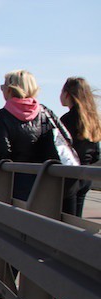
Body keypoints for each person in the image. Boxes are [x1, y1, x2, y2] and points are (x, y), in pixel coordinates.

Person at [0, 69, 65, 201]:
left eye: (3, 87)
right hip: (46, 179)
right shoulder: (46, 113)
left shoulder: (3, 115)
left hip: (15, 180)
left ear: (10, 90)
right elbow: (64, 141)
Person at [59, 77, 100, 217]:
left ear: (67, 94)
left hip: (70, 177)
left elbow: (60, 150)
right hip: (86, 176)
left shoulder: (66, 120)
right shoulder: (92, 120)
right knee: (76, 220)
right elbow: (96, 154)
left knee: (66, 221)